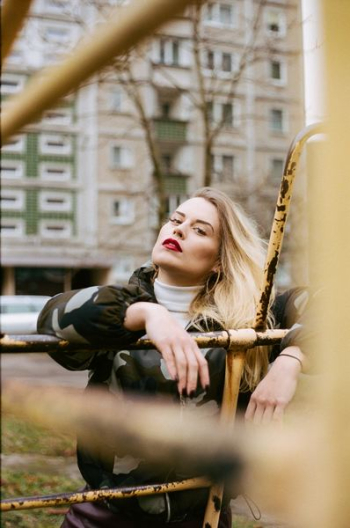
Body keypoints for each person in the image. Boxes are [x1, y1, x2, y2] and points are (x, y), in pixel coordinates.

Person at [37, 187, 308, 528]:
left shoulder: (251, 319)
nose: (178, 229)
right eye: (175, 220)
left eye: (199, 229)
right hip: (106, 516)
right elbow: (52, 317)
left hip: (203, 515)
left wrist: (291, 358)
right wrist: (143, 314)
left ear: (220, 261)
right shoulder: (119, 304)